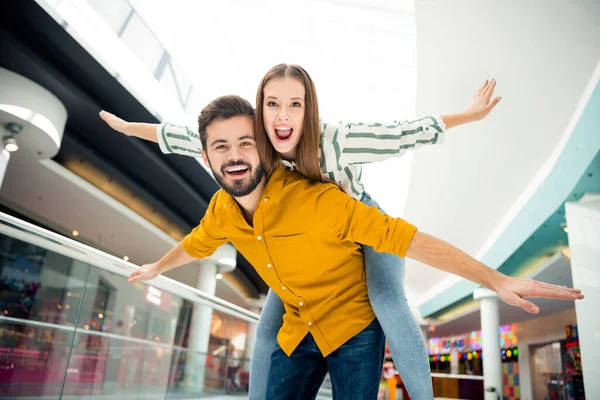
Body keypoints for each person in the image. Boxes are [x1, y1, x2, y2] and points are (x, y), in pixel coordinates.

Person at [124, 94, 583, 400]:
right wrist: (157, 267)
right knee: (267, 335)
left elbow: (412, 234)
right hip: (300, 325)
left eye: (246, 142)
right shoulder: (223, 209)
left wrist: (494, 278)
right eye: (220, 147)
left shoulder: (324, 186)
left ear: (265, 145)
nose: (235, 153)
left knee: (388, 296)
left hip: (353, 326)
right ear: (206, 156)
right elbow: (195, 241)